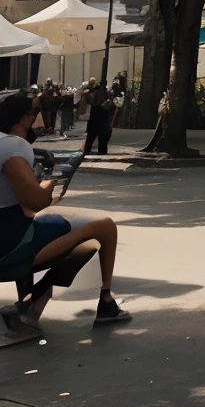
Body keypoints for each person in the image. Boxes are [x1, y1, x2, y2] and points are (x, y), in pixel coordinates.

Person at [0, 92, 131, 327]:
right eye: (34, 114)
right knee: (103, 228)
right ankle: (106, 301)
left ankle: (30, 301)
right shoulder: (14, 146)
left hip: (11, 231)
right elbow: (35, 201)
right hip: (9, 246)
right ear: (23, 119)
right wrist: (49, 184)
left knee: (57, 230)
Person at [83, 80, 116, 156]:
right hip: (101, 121)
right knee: (100, 142)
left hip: (97, 121)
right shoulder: (106, 95)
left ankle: (88, 152)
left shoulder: (95, 95)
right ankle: (98, 152)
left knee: (91, 140)